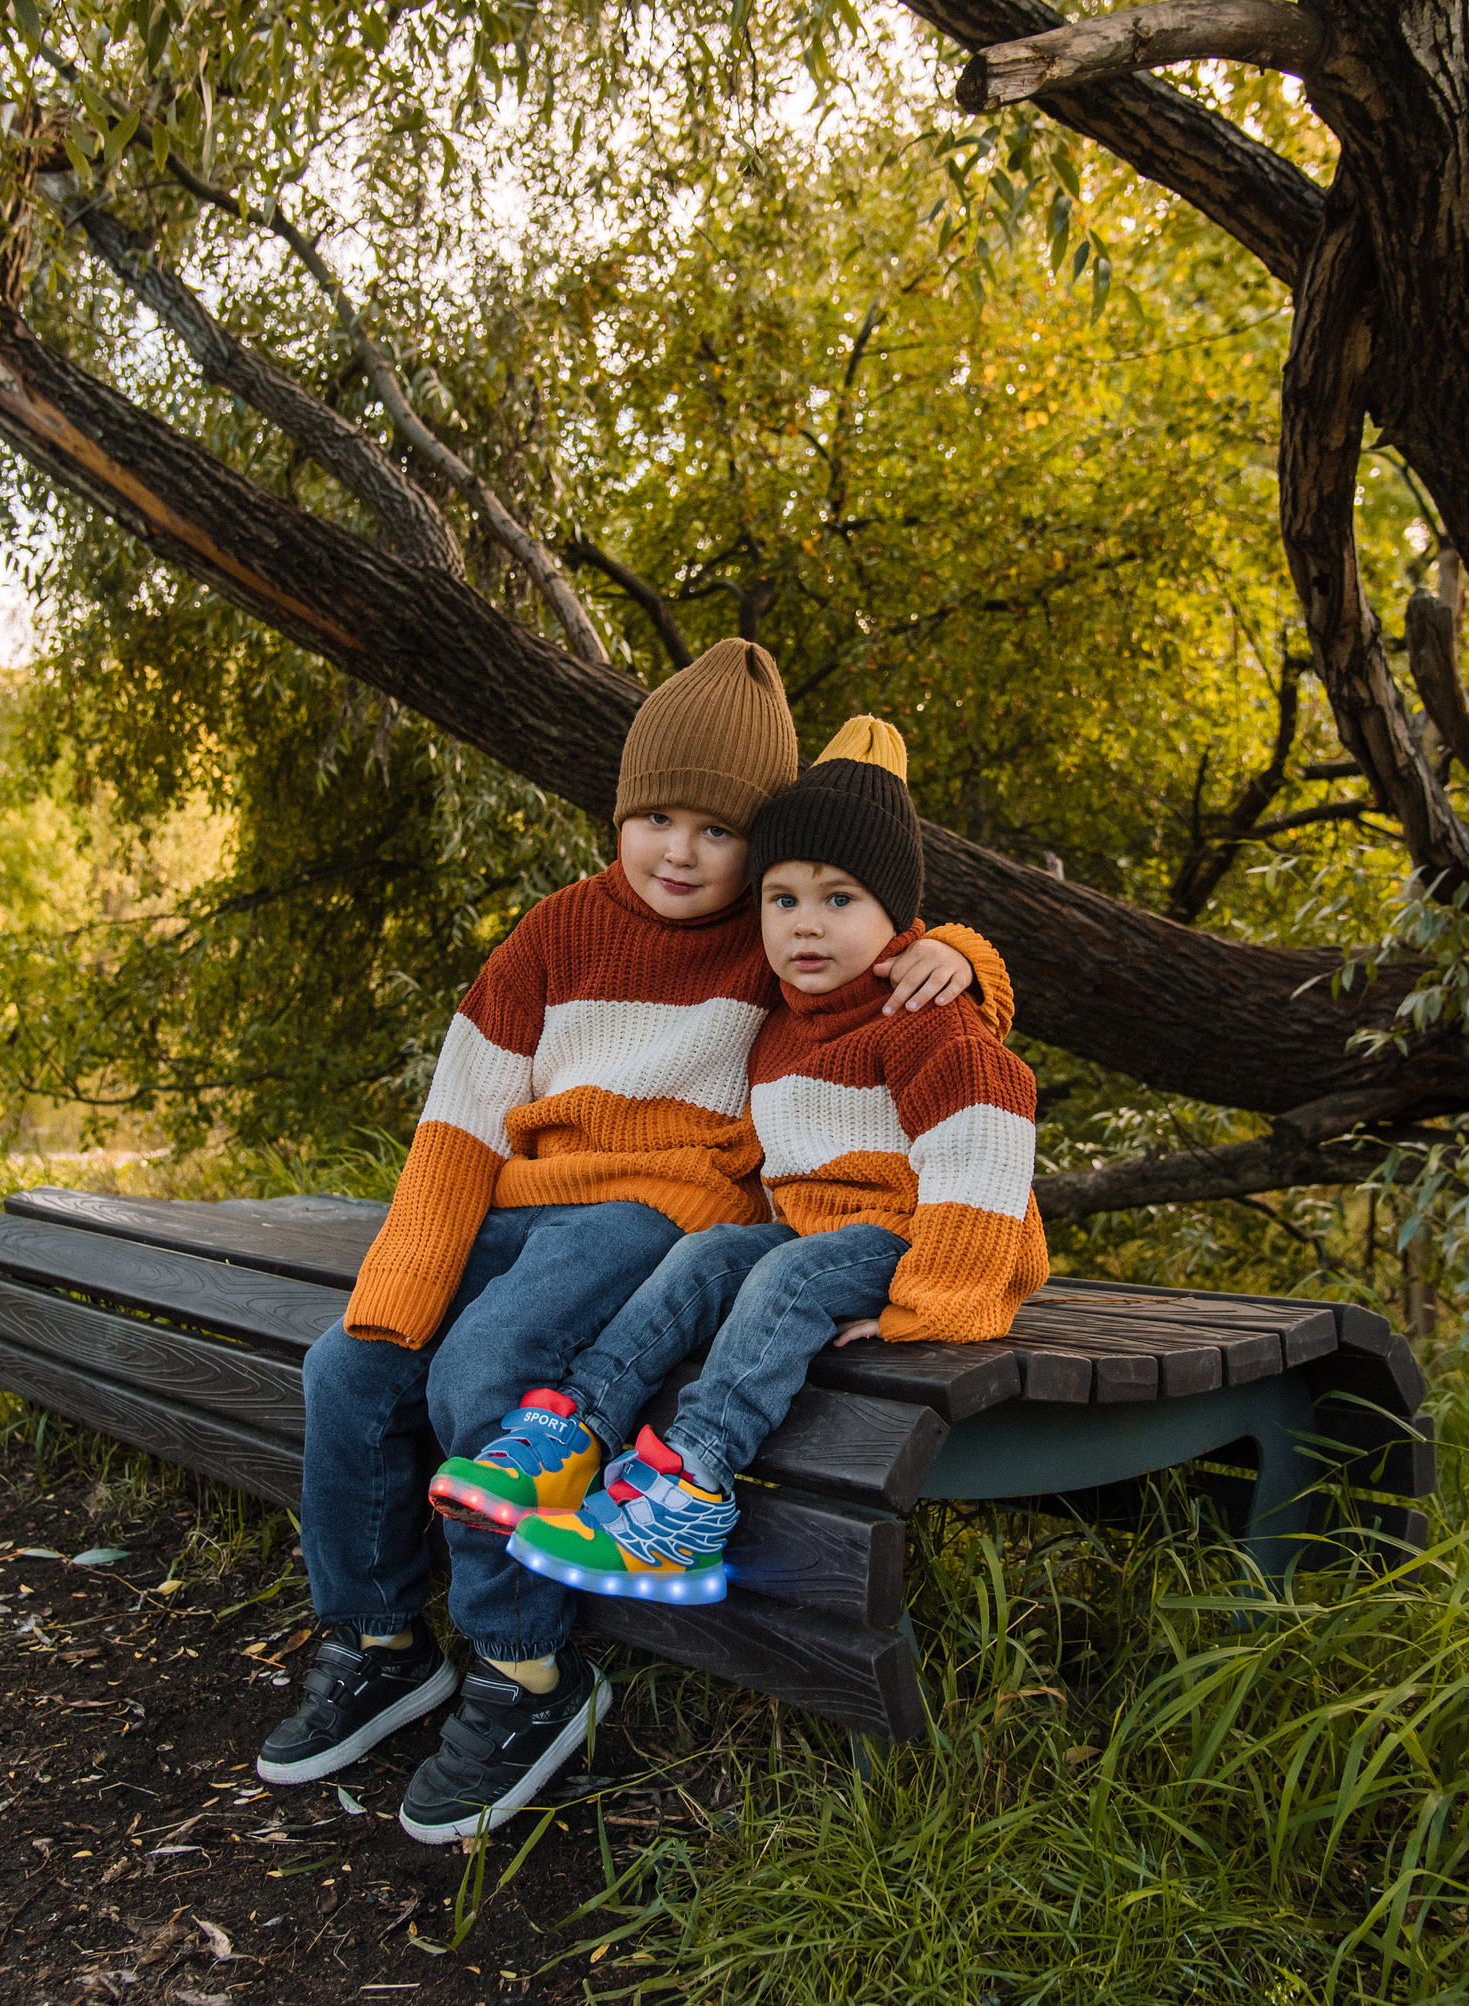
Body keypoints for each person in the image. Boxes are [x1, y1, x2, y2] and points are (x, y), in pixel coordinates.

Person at [257, 643, 1007, 1845]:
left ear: (758, 850)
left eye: (716, 830)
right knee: (348, 1369)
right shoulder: (552, 934)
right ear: (619, 812)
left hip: (659, 1210)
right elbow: (456, 1126)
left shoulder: (772, 938)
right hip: (520, 1198)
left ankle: (522, 1675)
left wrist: (963, 950)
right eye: (653, 816)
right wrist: (394, 1293)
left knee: (484, 1370)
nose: (677, 851)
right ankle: (380, 1639)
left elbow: (887, 946)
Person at [492, 717, 1046, 1602]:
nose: (807, 926)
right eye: (782, 900)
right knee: (711, 1253)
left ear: (900, 916)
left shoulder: (926, 1016)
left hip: (918, 1233)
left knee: (788, 1276)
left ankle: (690, 1493)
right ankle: (579, 1431)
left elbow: (989, 1152)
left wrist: (934, 1306)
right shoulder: (786, 1023)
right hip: (818, 1230)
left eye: (840, 900)